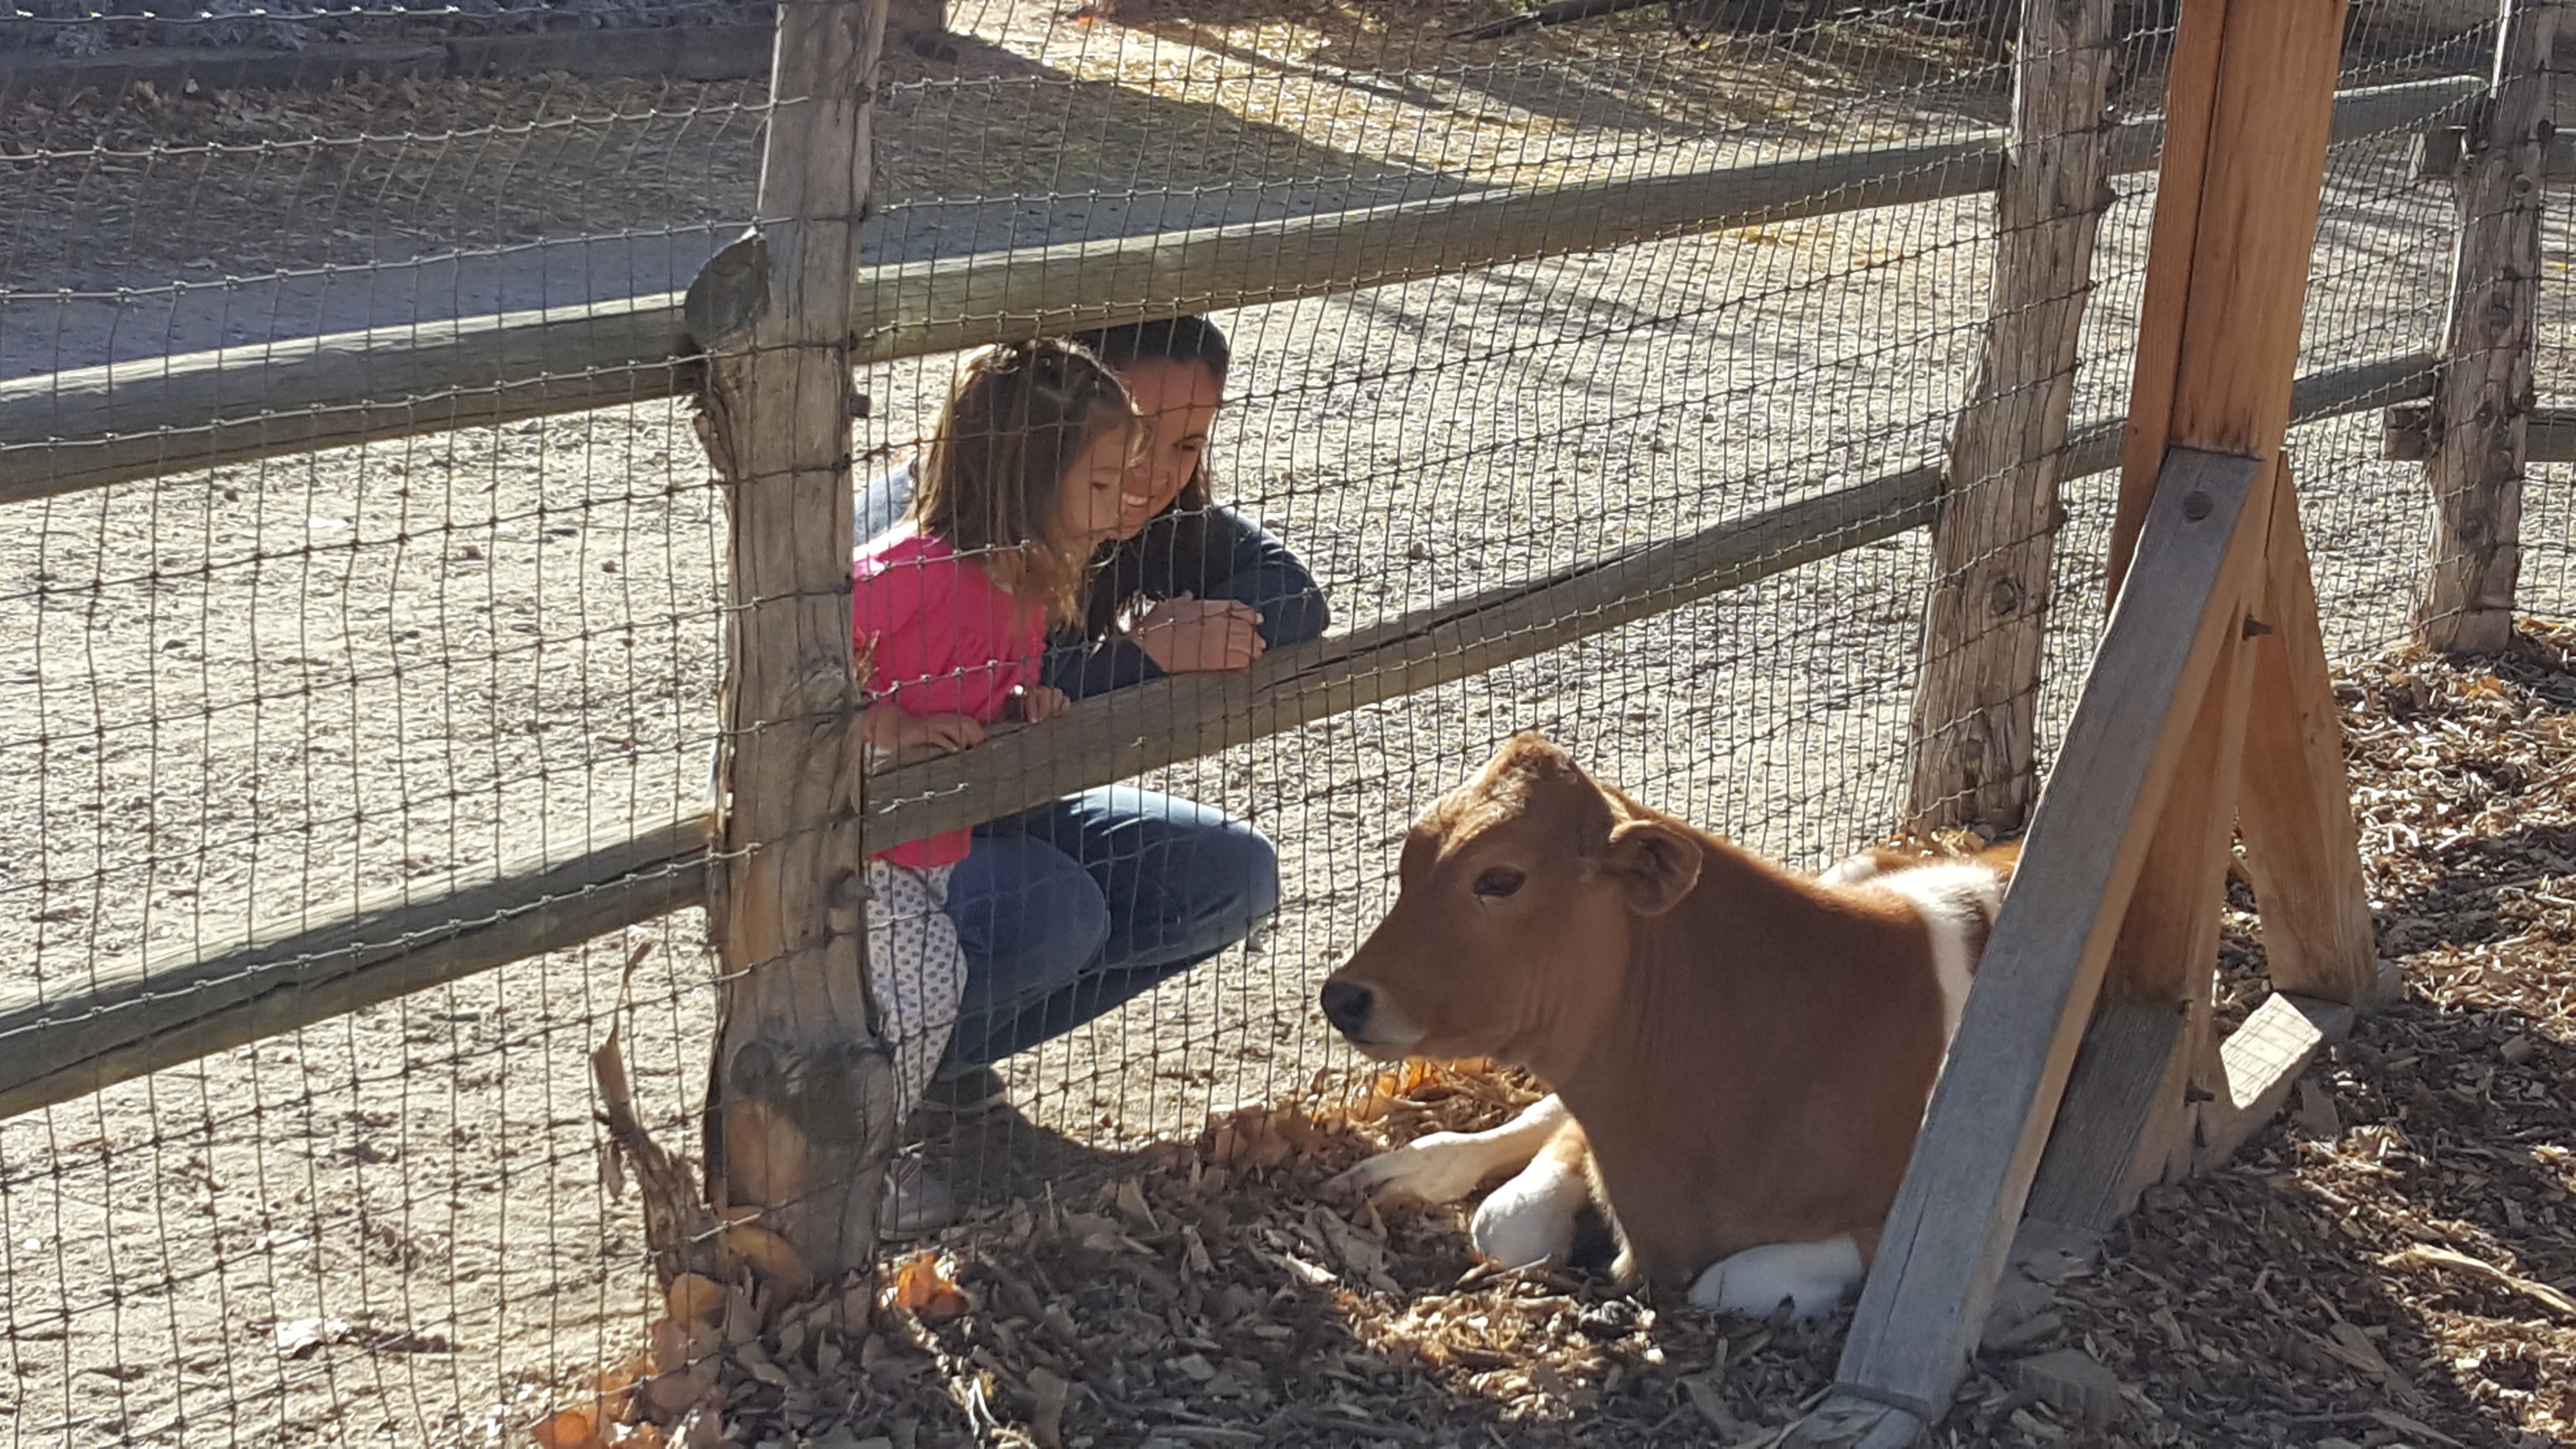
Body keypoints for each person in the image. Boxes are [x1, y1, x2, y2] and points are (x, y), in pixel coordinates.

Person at [856, 318, 1331, 1224]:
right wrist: (1143, 662)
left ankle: (939, 1064)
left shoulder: (1135, 506)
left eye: (1189, 443)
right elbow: (901, 691)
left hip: (992, 818)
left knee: (1230, 877)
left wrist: (1134, 658)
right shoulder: (933, 528)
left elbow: (1294, 599)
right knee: (1055, 912)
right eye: (1139, 436)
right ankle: (851, 1100)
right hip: (877, 854)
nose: (1156, 473)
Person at [847, 338, 1143, 1229]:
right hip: (857, 843)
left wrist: (1023, 705)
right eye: (1099, 485)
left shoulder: (1024, 588)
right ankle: (844, 1178)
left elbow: (984, 682)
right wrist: (888, 727)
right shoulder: (911, 574)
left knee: (907, 994)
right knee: (921, 986)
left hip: (931, 847)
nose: (1121, 505)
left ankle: (849, 1152)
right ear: (1024, 481)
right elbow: (802, 665)